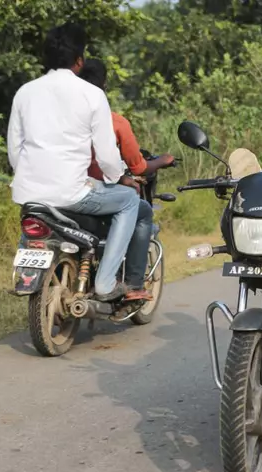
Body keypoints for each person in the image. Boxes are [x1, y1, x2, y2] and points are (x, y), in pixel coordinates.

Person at [7, 22, 144, 302]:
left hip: (28, 193)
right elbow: (107, 156)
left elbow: (14, 148)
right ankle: (106, 282)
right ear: (79, 60)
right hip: (72, 193)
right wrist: (121, 178)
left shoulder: (25, 92)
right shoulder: (92, 94)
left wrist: (29, 177)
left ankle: (28, 272)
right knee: (129, 201)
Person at [77, 58, 176, 299]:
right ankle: (132, 283)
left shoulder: (61, 117)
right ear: (104, 85)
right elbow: (136, 166)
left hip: (53, 189)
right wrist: (161, 161)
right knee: (140, 209)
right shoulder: (113, 122)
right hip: (90, 192)